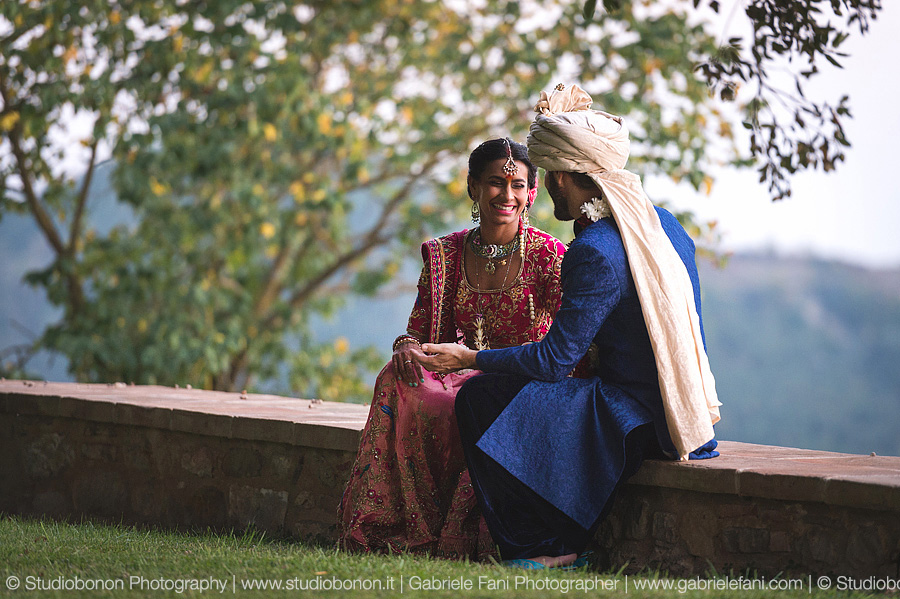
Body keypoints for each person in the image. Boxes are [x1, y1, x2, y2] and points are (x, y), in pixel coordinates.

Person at [417, 84, 722, 569]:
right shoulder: (663, 223)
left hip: (638, 419)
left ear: (561, 178)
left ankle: (543, 546)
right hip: (683, 412)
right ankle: (556, 540)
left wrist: (469, 358)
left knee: (479, 396)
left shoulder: (594, 250)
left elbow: (553, 361)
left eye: (544, 176)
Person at [337, 138, 568, 560]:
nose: (507, 194)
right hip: (456, 376)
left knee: (481, 398)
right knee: (395, 377)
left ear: (532, 193)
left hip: (520, 382)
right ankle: (395, 525)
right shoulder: (445, 254)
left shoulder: (550, 257)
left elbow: (567, 347)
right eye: (496, 182)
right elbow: (418, 332)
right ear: (473, 187)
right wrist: (406, 348)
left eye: (517, 185)